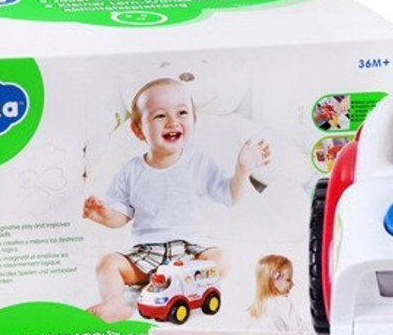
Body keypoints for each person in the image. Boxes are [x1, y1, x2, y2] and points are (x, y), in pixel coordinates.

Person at [83, 77, 271, 322]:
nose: (173, 122)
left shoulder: (199, 163)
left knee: (222, 259)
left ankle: (179, 285)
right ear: (138, 130)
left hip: (191, 255)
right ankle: (116, 303)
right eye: (160, 116)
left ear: (194, 119)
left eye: (182, 113)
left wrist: (242, 170)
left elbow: (230, 196)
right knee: (107, 263)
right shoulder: (131, 171)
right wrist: (104, 215)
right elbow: (121, 216)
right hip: (146, 254)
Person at [247, 254, 304, 331]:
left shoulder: (256, 307)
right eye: (288, 280)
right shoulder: (282, 302)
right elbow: (300, 327)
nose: (292, 284)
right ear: (273, 280)